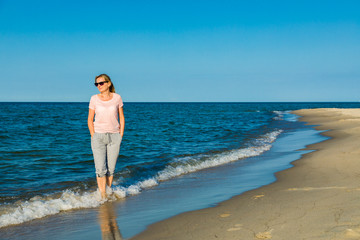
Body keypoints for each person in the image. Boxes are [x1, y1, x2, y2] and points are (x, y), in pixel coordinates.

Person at [88, 74, 125, 199]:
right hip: (98, 136)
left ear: (108, 83)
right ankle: (103, 195)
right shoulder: (94, 99)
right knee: (100, 169)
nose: (99, 86)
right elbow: (89, 119)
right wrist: (93, 135)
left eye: (101, 83)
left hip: (114, 136)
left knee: (111, 169)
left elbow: (121, 117)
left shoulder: (117, 98)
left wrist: (120, 135)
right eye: (96, 84)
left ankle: (108, 191)